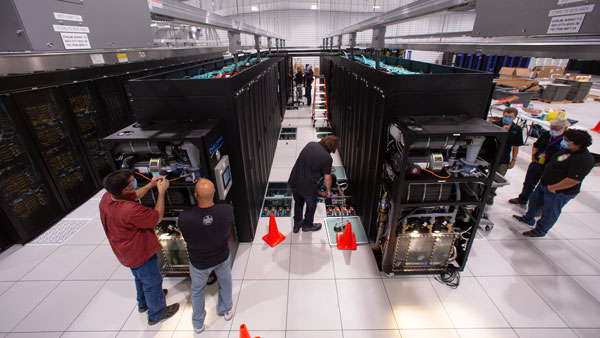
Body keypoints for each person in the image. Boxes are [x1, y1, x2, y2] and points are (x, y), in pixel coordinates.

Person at [99, 170, 179, 325]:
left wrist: (151, 184)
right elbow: (157, 217)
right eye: (132, 182)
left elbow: (134, 195)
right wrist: (161, 192)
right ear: (125, 189)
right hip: (139, 252)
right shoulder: (130, 210)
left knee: (139, 276)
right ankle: (157, 312)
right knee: (152, 280)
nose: (134, 183)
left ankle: (143, 303)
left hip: (124, 251)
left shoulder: (107, 198)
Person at [513, 129, 594, 237]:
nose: (563, 141)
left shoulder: (583, 159)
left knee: (549, 211)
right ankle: (528, 219)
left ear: (577, 144)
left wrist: (553, 187)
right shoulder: (567, 150)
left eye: (566, 140)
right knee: (534, 202)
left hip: (559, 191)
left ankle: (540, 231)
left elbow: (574, 180)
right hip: (544, 184)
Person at [178, 179, 234, 333]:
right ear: (214, 193)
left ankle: (198, 323)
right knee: (226, 282)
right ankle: (226, 309)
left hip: (199, 262)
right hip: (222, 257)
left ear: (195, 195)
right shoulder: (226, 211)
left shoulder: (185, 217)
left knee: (197, 290)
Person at [508, 118, 569, 205]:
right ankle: (523, 198)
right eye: (552, 128)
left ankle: (540, 206)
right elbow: (536, 145)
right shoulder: (547, 134)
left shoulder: (566, 141)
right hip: (537, 163)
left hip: (550, 168)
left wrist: (554, 164)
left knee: (544, 187)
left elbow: (566, 156)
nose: (553, 130)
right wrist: (533, 157)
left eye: (556, 129)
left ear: (565, 128)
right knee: (529, 182)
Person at [288, 135, 340, 233]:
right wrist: (328, 191)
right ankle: (307, 225)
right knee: (311, 205)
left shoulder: (311, 144)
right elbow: (327, 177)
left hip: (294, 180)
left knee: (298, 203)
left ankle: (297, 225)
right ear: (332, 147)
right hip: (308, 187)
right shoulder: (327, 158)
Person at [488, 107, 523, 204]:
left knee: (498, 179)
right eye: (505, 116)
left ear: (515, 117)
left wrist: (513, 159)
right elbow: (489, 141)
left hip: (504, 159)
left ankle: (490, 196)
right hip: (491, 157)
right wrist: (502, 131)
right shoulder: (495, 125)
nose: (507, 118)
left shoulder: (517, 129)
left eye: (510, 117)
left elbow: (516, 145)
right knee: (487, 177)